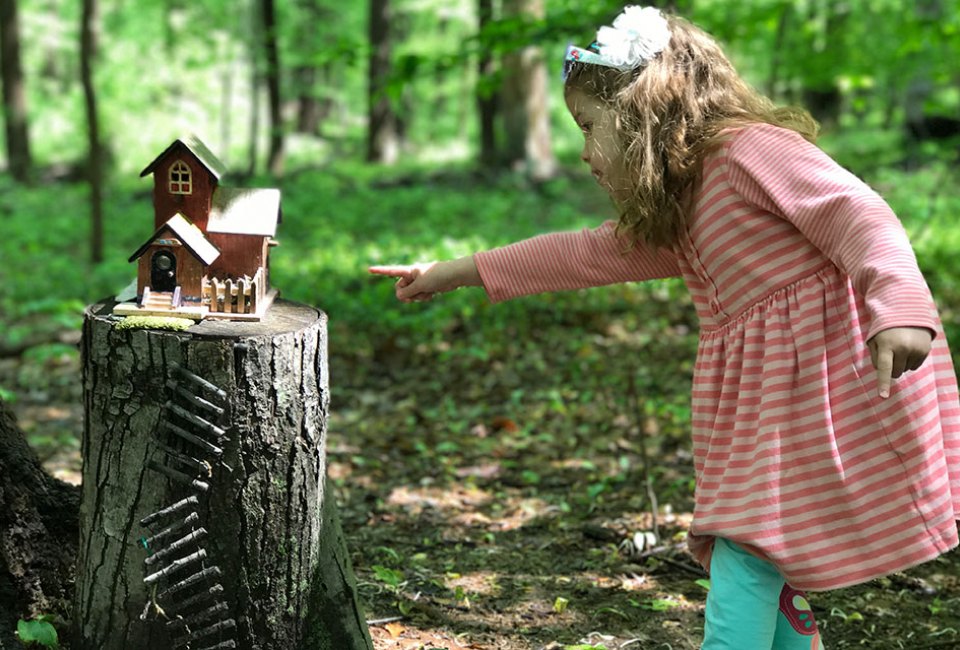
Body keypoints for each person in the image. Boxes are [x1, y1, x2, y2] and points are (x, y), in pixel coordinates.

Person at [369, 6, 960, 649]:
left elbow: (858, 214)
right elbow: (583, 254)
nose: (585, 151)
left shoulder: (752, 152)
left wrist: (899, 305)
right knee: (760, 548)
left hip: (822, 392)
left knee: (747, 541)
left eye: (590, 127)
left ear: (643, 113)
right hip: (762, 409)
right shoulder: (682, 206)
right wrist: (457, 271)